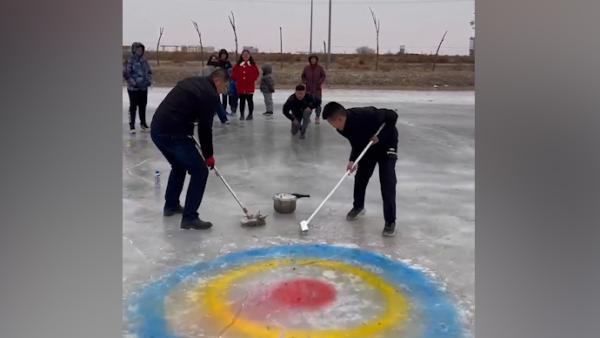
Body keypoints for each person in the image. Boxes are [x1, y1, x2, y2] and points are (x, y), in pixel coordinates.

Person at [150, 68, 229, 230]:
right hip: (172, 133)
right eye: (225, 86)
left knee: (179, 166)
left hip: (157, 130)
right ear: (218, 81)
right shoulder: (210, 94)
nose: (224, 90)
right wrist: (209, 155)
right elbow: (205, 128)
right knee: (200, 171)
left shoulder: (193, 81)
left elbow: (182, 108)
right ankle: (190, 217)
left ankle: (170, 205)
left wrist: (187, 131)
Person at [321, 101, 399, 236]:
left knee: (387, 182)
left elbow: (392, 115)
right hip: (368, 147)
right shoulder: (342, 129)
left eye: (332, 122)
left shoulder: (366, 114)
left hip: (387, 144)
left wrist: (380, 136)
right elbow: (356, 142)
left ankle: (390, 221)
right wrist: (353, 160)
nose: (333, 127)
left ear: (339, 119)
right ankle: (358, 206)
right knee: (361, 177)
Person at [124, 42, 153, 134]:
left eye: (141, 49)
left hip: (143, 88)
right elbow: (126, 74)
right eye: (138, 49)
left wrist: (148, 81)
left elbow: (149, 72)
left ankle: (143, 124)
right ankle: (132, 125)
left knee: (142, 106)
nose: (140, 51)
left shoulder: (144, 60)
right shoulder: (129, 60)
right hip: (133, 89)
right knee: (133, 107)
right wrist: (133, 83)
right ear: (134, 50)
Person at [231, 49, 259, 120]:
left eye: (247, 55)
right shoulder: (238, 65)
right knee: (242, 101)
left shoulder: (252, 65)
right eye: (244, 55)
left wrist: (252, 79)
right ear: (242, 56)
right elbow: (233, 73)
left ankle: (250, 114)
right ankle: (242, 114)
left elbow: (256, 73)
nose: (245, 56)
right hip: (241, 86)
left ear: (249, 56)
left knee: (250, 101)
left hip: (249, 86)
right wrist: (237, 79)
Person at [301, 54, 326, 124]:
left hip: (317, 89)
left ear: (316, 60)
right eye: (312, 59)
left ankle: (317, 117)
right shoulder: (306, 68)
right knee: (308, 104)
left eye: (314, 59)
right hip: (308, 89)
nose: (313, 60)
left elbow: (323, 76)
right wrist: (305, 82)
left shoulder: (320, 68)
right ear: (310, 60)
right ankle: (307, 117)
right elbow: (303, 76)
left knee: (317, 103)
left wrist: (320, 82)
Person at [217, 49, 233, 113]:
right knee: (216, 96)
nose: (223, 56)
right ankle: (218, 109)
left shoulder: (228, 62)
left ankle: (225, 109)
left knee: (225, 96)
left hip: (226, 81)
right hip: (218, 81)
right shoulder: (217, 62)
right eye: (222, 55)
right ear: (220, 55)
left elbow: (231, 71)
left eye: (224, 55)